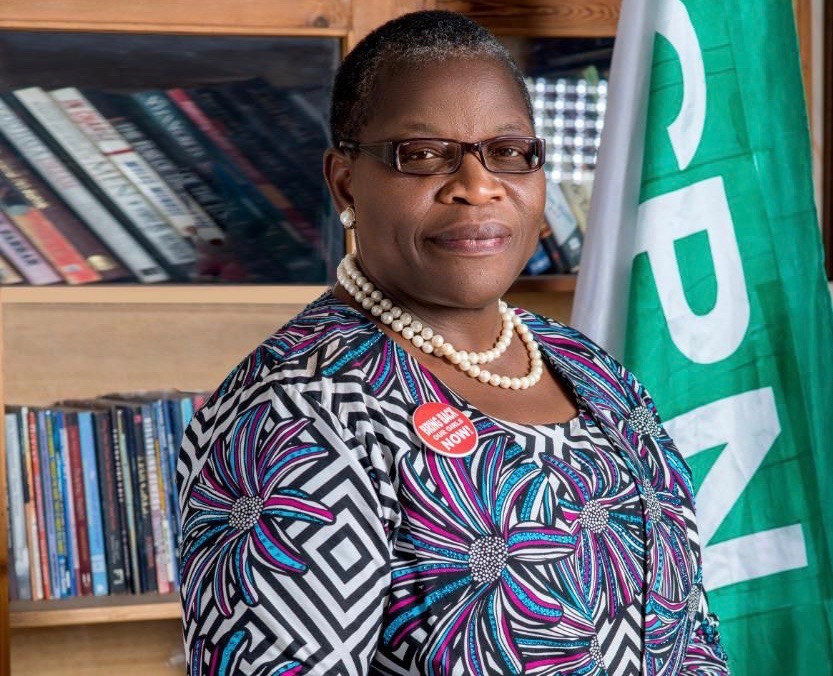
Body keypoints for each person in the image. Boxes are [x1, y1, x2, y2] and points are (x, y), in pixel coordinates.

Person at [178, 10, 730, 675]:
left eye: (507, 152)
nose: (476, 186)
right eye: (422, 155)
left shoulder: (593, 371)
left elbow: (690, 635)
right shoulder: (297, 413)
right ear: (345, 181)